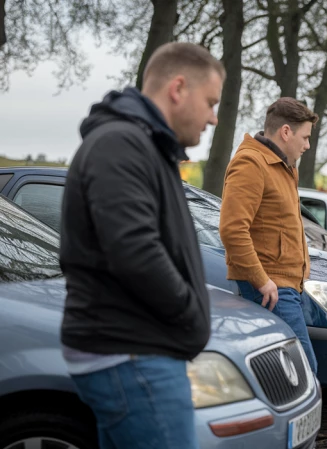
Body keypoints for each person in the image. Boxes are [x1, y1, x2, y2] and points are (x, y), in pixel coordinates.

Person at [59, 42, 224, 448]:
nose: (214, 118)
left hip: (137, 351)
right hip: (133, 355)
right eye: (210, 102)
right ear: (178, 88)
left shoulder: (146, 146)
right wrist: (189, 311)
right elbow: (134, 250)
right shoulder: (120, 144)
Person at [219, 97, 319, 373]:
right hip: (270, 287)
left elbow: (287, 224)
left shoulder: (285, 167)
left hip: (288, 285)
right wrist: (261, 280)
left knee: (289, 375)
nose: (307, 145)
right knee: (304, 370)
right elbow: (232, 228)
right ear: (286, 132)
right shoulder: (251, 163)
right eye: (305, 137)